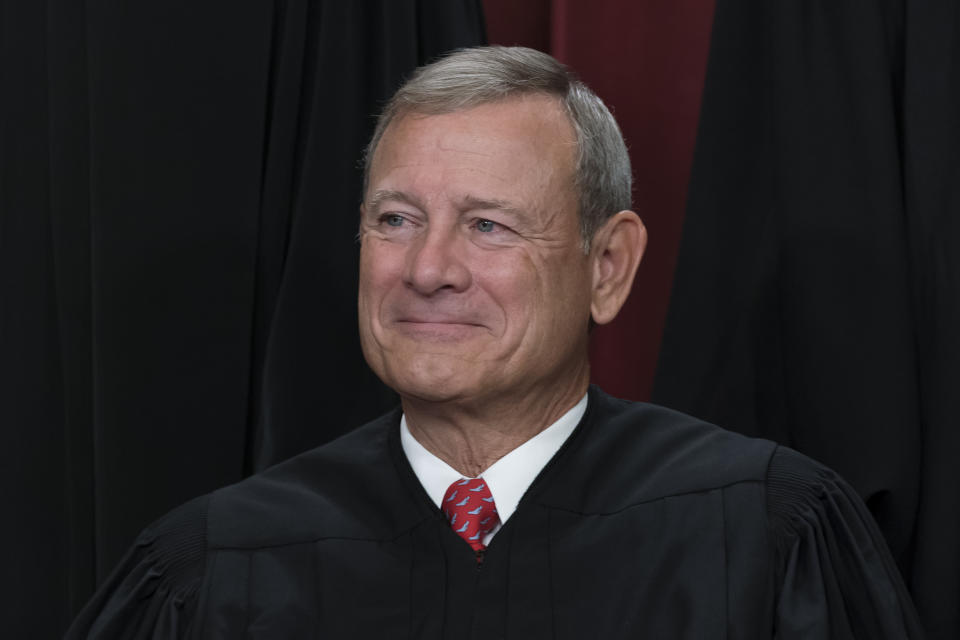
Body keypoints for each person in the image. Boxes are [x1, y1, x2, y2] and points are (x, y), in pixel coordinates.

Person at [66, 46, 923, 639]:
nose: (428, 268)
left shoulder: (762, 533)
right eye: (396, 219)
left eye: (488, 224)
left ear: (609, 266)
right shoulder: (217, 566)